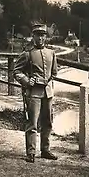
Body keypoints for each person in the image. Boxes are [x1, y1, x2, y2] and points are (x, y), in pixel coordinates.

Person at [13, 23, 58, 163]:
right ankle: (31, 152)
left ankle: (45, 150)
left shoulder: (51, 53)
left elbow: (54, 72)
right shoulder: (27, 54)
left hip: (48, 93)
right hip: (33, 93)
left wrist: (49, 80)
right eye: (38, 35)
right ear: (33, 36)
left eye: (43, 35)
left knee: (48, 122)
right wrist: (27, 81)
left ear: (46, 37)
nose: (40, 38)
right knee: (32, 123)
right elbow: (16, 72)